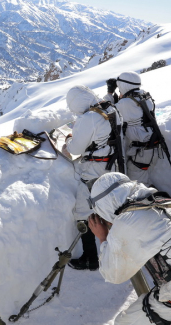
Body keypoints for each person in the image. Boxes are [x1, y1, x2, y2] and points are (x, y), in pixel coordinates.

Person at [87, 172, 171, 325]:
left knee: (123, 322)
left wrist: (103, 237)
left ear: (105, 204)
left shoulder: (128, 222)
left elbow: (113, 275)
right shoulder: (165, 201)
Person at [65, 84, 117, 270]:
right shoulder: (108, 109)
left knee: (82, 212)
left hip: (94, 170)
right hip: (113, 165)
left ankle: (91, 258)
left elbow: (74, 150)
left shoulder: (90, 118)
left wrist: (69, 139)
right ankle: (119, 249)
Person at [108, 72, 157, 186]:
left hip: (141, 152)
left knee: (138, 184)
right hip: (148, 147)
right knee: (140, 179)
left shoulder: (126, 103)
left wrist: (110, 94)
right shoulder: (144, 96)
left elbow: (109, 114)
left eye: (120, 87)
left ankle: (150, 200)